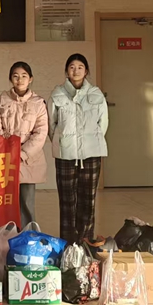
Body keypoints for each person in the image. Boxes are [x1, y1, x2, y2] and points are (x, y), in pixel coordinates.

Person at [49, 53, 109, 244]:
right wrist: (63, 142)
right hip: (65, 154)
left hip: (91, 153)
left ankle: (85, 241)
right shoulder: (57, 94)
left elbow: (103, 123)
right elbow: (52, 124)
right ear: (67, 71)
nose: (76, 71)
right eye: (72, 67)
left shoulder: (96, 94)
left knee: (88, 200)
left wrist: (90, 140)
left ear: (86, 71)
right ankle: (68, 243)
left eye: (80, 67)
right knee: (67, 201)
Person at [0, 61, 48, 229]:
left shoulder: (38, 103)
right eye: (15, 76)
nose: (20, 79)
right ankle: (7, 237)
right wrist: (7, 151)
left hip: (28, 159)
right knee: (6, 200)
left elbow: (40, 133)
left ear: (31, 79)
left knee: (27, 201)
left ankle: (29, 236)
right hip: (6, 157)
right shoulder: (2, 100)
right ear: (10, 79)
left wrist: (22, 154)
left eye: (24, 76)